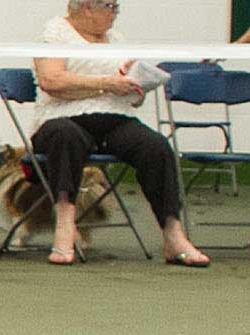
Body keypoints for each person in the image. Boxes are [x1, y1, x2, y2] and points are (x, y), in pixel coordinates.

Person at [31, 0, 209, 266]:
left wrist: (133, 87)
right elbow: (52, 81)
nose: (115, 13)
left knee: (156, 146)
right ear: (87, 7)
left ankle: (173, 234)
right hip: (62, 116)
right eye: (110, 6)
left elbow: (131, 97)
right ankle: (65, 226)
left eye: (116, 6)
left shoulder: (117, 39)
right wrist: (105, 84)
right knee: (66, 136)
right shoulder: (55, 33)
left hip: (114, 116)